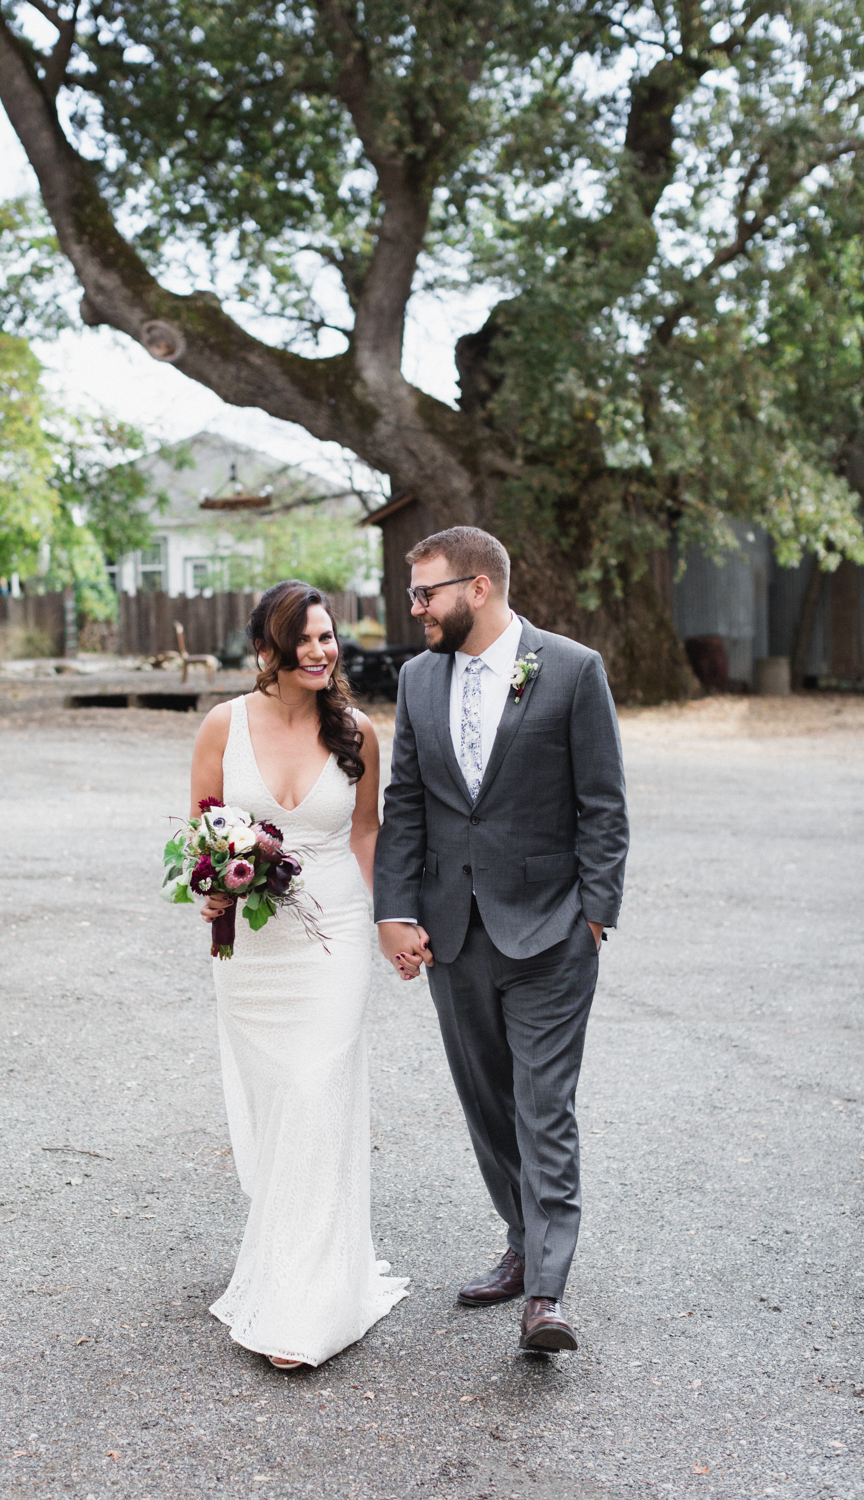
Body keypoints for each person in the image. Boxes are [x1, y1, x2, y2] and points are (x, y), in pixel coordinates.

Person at [373, 527, 628, 1355]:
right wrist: (394, 910)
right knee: (488, 1105)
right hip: (454, 931)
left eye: (427, 593)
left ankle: (546, 1294)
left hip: (553, 931)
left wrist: (594, 917)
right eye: (414, 593)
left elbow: (604, 803)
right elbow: (406, 801)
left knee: (544, 1107)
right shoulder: (417, 678)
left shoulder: (573, 669)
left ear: (478, 588)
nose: (416, 608)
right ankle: (522, 1242)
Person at [189, 580, 409, 1370]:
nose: (321, 651)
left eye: (327, 637)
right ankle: (298, 1254)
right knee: (278, 1106)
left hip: (333, 937)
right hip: (254, 951)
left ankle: (303, 1307)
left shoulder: (358, 732)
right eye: (304, 640)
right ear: (266, 651)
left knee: (316, 1093)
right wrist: (211, 891)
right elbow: (201, 835)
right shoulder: (223, 726)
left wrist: (392, 920)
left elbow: (366, 833)